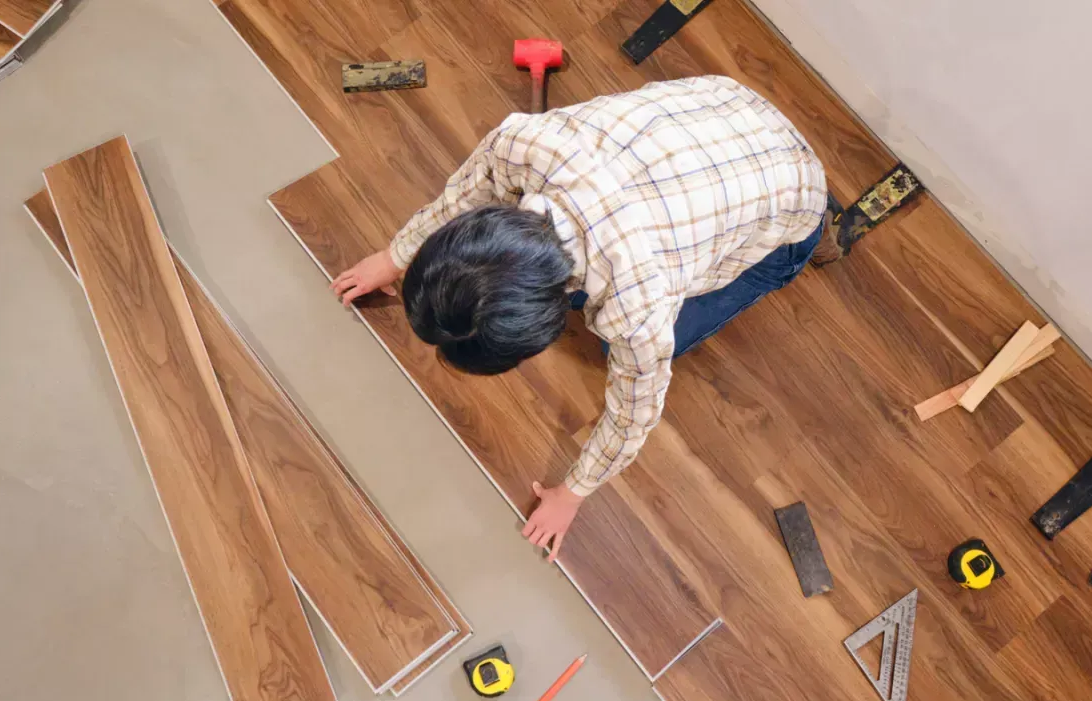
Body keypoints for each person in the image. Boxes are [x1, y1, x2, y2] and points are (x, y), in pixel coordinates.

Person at [330, 76, 837, 562]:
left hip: (793, 192)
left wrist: (572, 493)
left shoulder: (639, 307)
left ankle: (821, 241)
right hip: (722, 104)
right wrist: (396, 257)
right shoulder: (520, 143)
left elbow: (633, 414)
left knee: (628, 347)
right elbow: (461, 199)